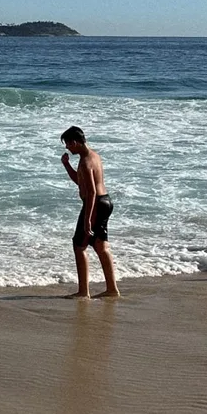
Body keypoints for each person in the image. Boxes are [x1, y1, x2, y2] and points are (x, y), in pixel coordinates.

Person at [60, 126, 118, 298]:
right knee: (101, 245)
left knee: (79, 246)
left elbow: (91, 192)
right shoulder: (94, 156)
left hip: (95, 203)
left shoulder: (85, 162)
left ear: (75, 142)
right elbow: (81, 182)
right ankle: (112, 289)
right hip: (105, 201)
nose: (67, 148)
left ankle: (83, 291)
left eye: (68, 144)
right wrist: (66, 165)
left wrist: (87, 220)